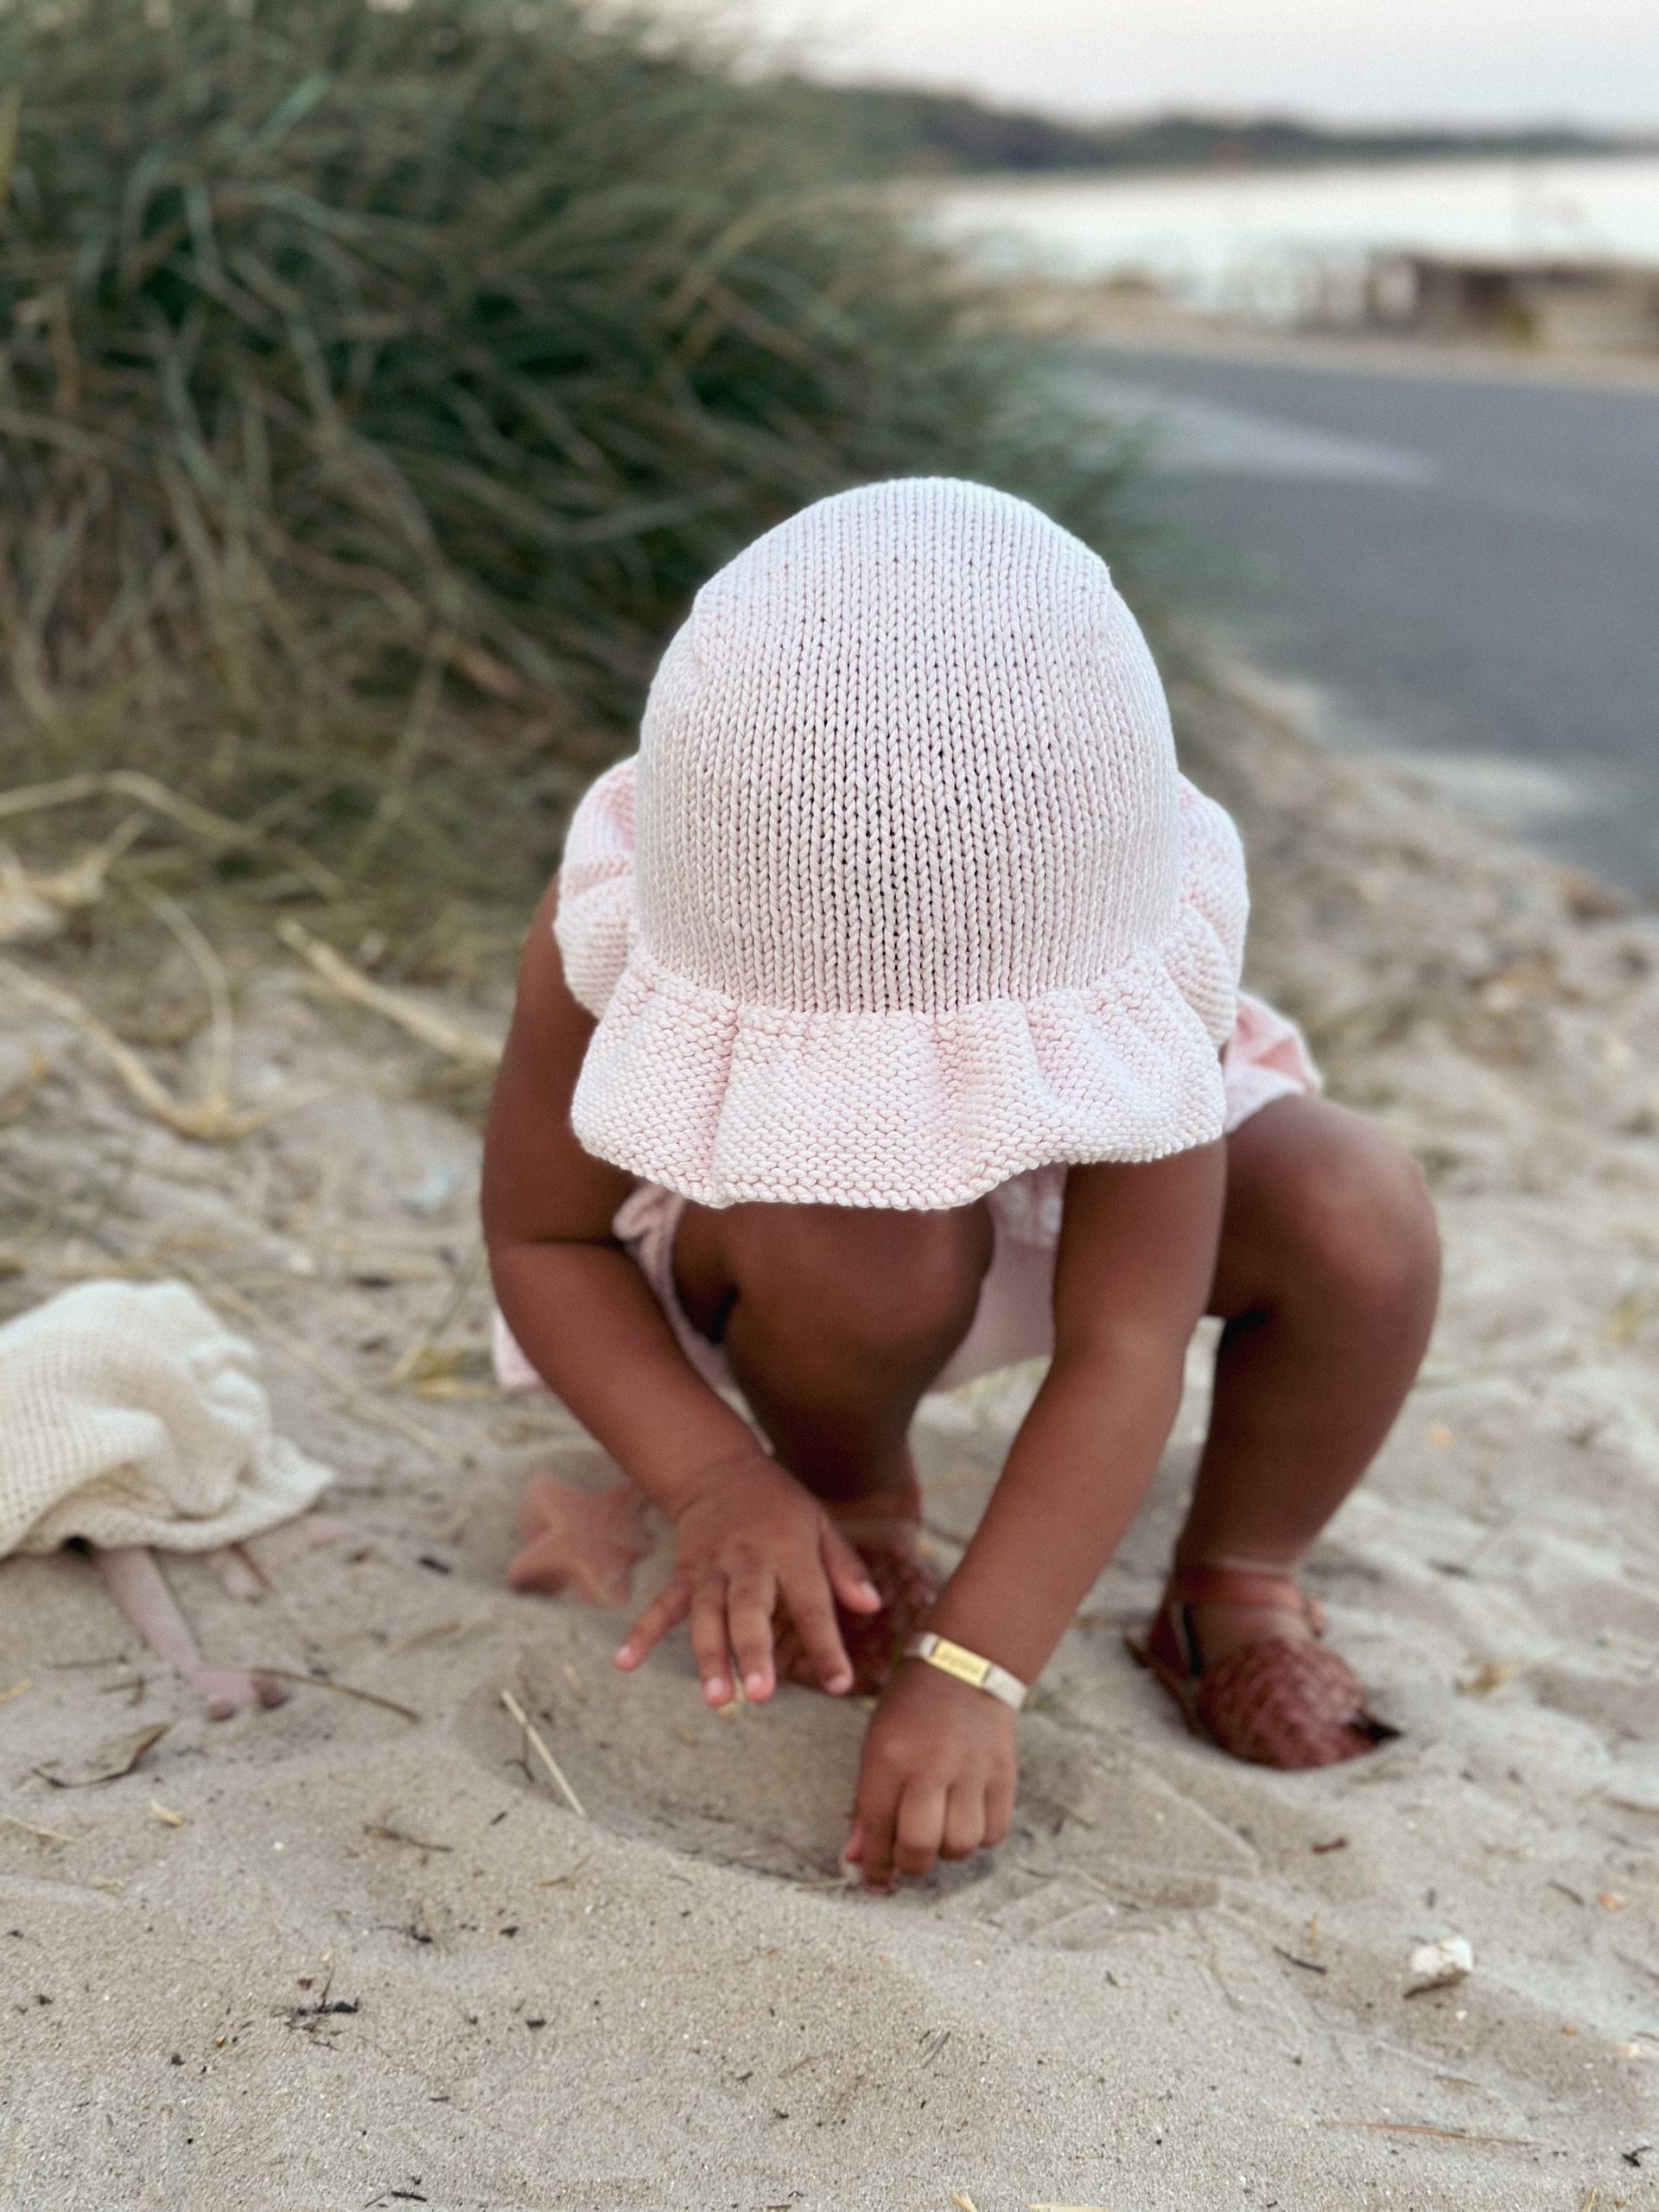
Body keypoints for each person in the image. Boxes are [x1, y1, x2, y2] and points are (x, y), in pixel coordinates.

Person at [481, 478, 1439, 1890]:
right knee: (866, 1238)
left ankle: (1233, 1579)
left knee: (1359, 1211)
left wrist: (978, 1669)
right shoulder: (623, 917)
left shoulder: (1139, 948)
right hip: (794, 1242)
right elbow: (544, 1238)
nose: (916, 1081)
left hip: (1074, 1189)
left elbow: (1127, 1342)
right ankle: (853, 1501)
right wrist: (713, 1477)